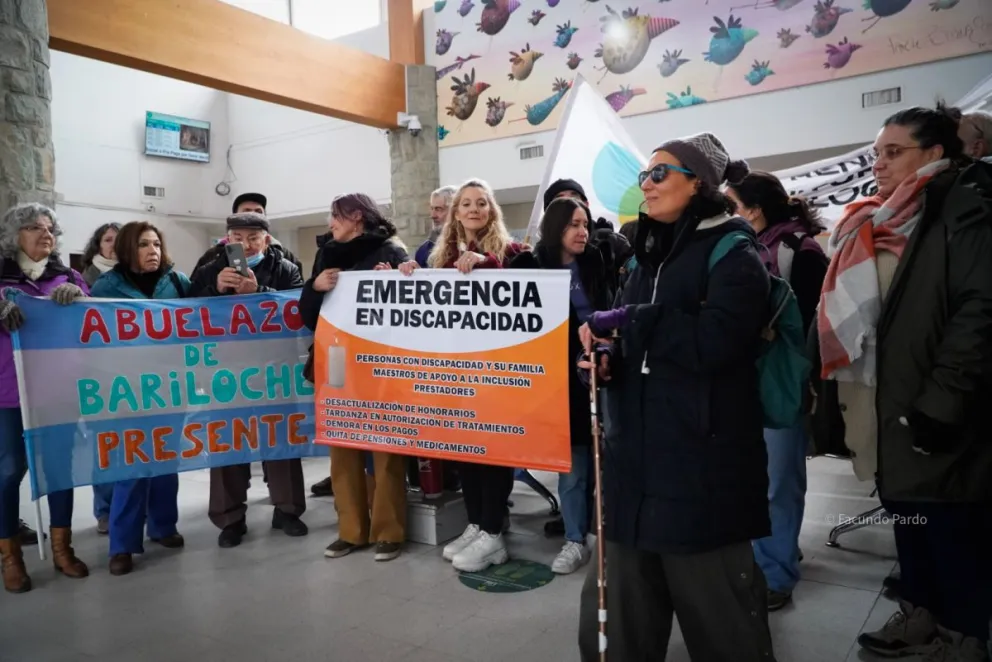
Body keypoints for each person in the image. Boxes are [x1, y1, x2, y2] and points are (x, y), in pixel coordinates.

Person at [576, 133, 776, 661]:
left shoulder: (734, 251)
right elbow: (631, 348)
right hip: (630, 471)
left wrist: (634, 322)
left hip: (700, 471)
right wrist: (600, 360)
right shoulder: (642, 259)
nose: (647, 182)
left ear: (699, 184)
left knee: (725, 630)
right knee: (615, 630)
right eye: (645, 174)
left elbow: (717, 342)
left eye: (661, 172)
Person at [811, 104, 992, 661]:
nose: (880, 164)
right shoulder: (876, 218)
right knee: (909, 517)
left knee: (948, 526)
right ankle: (919, 616)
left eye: (894, 152)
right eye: (877, 154)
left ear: (934, 154)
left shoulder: (964, 210)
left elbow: (978, 310)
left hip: (935, 403)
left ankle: (963, 638)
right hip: (883, 404)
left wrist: (941, 400)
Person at [397, 178, 527, 573]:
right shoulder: (439, 257)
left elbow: (528, 287)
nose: (473, 209)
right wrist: (409, 273)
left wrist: (488, 265)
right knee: (465, 451)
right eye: (466, 203)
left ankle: (493, 530)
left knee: (493, 453)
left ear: (492, 211)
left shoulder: (512, 251)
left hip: (497, 373)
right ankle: (475, 523)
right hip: (457, 373)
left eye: (481, 203)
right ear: (455, 212)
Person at [726, 172, 828, 612]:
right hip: (741, 381)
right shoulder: (737, 250)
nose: (728, 214)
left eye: (732, 206)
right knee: (752, 478)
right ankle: (773, 552)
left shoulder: (799, 251)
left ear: (754, 210)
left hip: (783, 380)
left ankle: (777, 575)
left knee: (780, 482)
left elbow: (812, 327)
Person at [299, 193, 410, 562]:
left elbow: (409, 311)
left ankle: (389, 531)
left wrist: (392, 283)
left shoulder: (392, 251)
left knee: (385, 450)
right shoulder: (326, 253)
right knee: (342, 448)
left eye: (336, 215)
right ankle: (351, 531)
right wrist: (314, 288)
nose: (330, 222)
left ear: (357, 216)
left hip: (380, 365)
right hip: (336, 364)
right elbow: (309, 317)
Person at [189, 211, 308, 548]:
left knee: (280, 439)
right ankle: (230, 518)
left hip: (273, 368)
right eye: (238, 237)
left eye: (253, 237)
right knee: (228, 443)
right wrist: (216, 289)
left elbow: (297, 310)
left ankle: (287, 510)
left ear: (266, 240)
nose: (246, 243)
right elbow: (189, 312)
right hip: (226, 371)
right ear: (227, 239)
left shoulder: (285, 268)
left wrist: (261, 292)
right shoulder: (210, 268)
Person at [509, 197, 612, 574]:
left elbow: (606, 309)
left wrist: (605, 350)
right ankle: (574, 538)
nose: (582, 232)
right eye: (573, 225)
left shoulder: (595, 261)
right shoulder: (528, 265)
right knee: (574, 463)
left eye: (584, 224)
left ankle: (592, 530)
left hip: (600, 373)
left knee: (599, 462)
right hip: (556, 382)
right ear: (555, 228)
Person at [0, 203, 90, 593]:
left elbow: (93, 321)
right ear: (14, 234)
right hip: (7, 392)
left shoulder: (66, 276)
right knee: (7, 471)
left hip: (56, 389)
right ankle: (10, 557)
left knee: (59, 469)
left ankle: (62, 548)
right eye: (36, 228)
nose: (46, 234)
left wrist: (81, 297)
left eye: (50, 228)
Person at [89, 222, 188, 575]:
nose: (153, 251)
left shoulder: (177, 282)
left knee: (164, 461)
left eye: (157, 244)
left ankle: (163, 526)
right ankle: (123, 544)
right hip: (125, 391)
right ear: (129, 249)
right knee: (130, 465)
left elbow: (206, 317)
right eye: (145, 244)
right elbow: (87, 341)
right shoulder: (105, 288)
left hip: (171, 388)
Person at [80, 221, 122, 534]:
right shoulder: (84, 281)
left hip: (135, 375)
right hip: (99, 374)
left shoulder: (138, 277)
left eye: (120, 240)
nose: (114, 245)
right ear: (98, 246)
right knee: (106, 446)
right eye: (108, 240)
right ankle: (105, 510)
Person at [191, 192, 302, 279]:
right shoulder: (213, 256)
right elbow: (195, 296)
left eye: (258, 212)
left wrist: (258, 290)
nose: (252, 216)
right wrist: (217, 289)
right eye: (247, 211)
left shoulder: (284, 257)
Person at [414, 185, 457, 267]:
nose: (433, 215)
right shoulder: (423, 250)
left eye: (439, 209)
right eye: (432, 208)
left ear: (455, 211)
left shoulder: (469, 246)